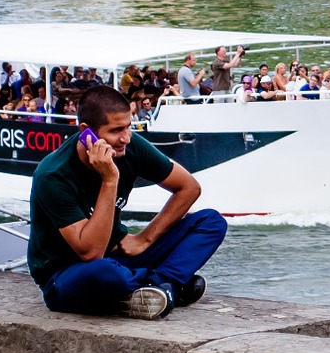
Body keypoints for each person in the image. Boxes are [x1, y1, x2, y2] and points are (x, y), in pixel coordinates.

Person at [27, 86, 227, 318]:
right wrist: (110, 179)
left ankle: (161, 286)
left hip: (120, 256)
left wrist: (145, 239)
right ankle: (166, 284)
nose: (126, 137)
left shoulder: (129, 147)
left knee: (211, 222)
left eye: (128, 126)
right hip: (67, 273)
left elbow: (189, 188)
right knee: (106, 272)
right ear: (86, 132)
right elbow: (91, 253)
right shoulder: (53, 175)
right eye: (116, 130)